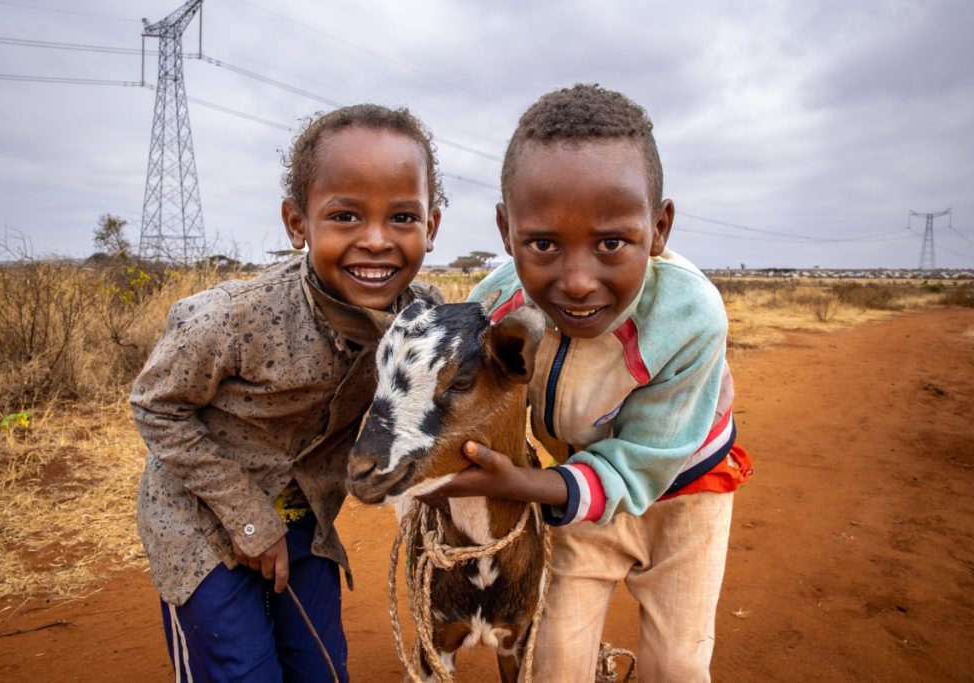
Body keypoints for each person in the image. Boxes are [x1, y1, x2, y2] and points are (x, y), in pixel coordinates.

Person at [435, 84, 753, 682]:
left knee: (678, 663)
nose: (578, 281)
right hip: (573, 486)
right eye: (543, 244)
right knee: (552, 659)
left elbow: (643, 460)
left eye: (612, 242)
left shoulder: (690, 318)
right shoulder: (495, 305)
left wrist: (527, 483)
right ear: (506, 232)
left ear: (658, 229)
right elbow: (467, 400)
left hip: (685, 493)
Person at [131, 103, 446, 682]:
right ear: (298, 223)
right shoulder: (236, 318)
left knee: (320, 668)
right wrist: (248, 520)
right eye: (345, 216)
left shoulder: (423, 320)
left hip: (306, 520)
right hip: (199, 520)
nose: (376, 241)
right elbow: (155, 403)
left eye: (402, 217)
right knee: (239, 669)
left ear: (432, 225)